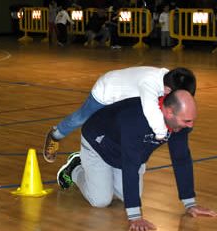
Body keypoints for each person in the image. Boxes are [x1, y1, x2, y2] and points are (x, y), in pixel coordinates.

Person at [56, 89, 217, 231]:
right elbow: (130, 164)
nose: (191, 125)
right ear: (169, 113)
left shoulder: (179, 124)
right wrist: (135, 217)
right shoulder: (137, 120)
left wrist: (190, 203)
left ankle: (100, 176)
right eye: (187, 121)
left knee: (128, 198)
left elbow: (181, 158)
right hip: (99, 144)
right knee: (101, 201)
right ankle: (75, 168)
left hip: (126, 149)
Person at [43, 66, 196, 163]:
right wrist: (161, 132)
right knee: (82, 118)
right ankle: (56, 134)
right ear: (169, 90)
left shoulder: (171, 80)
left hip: (123, 100)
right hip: (106, 92)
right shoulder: (149, 83)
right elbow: (151, 110)